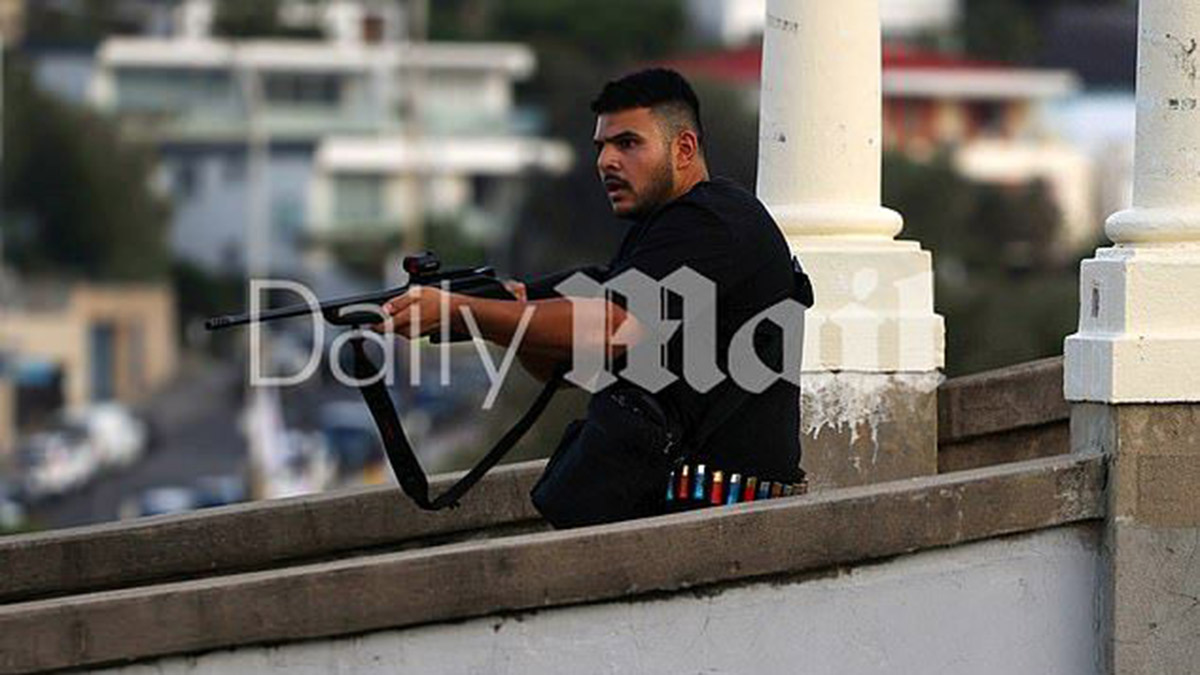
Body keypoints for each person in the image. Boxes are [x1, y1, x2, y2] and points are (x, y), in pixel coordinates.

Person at [378, 68, 804, 520]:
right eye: (601, 146)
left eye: (628, 143)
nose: (606, 161)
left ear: (683, 149)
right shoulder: (660, 235)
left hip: (724, 513)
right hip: (691, 505)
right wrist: (502, 313)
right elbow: (563, 367)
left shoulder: (713, 221)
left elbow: (609, 325)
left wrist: (467, 309)